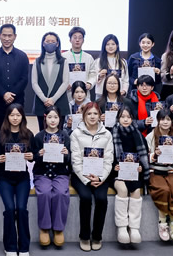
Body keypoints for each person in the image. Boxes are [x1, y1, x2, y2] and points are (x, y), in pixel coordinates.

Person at [70, 102, 114, 252]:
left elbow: (109, 160)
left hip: (101, 175)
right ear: (83, 116)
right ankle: (84, 236)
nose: (92, 116)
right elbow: (75, 161)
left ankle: (97, 236)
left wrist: (100, 178)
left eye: (95, 113)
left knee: (101, 199)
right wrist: (87, 180)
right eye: (89, 114)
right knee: (86, 197)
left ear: (100, 115)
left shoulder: (107, 134)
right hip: (81, 175)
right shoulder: (76, 134)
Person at [0, 104, 35, 256]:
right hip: (5, 178)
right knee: (10, 209)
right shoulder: (0, 136)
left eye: (18, 115)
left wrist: (32, 156)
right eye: (12, 115)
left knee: (22, 209)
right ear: (7, 117)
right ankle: (10, 246)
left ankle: (24, 246)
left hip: (22, 178)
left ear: (22, 117)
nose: (15, 118)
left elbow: (34, 157)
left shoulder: (28, 134)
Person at [31, 106, 71, 247]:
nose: (52, 120)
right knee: (44, 193)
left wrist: (66, 154)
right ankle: (45, 228)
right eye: (49, 117)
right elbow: (32, 157)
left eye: (55, 117)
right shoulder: (39, 136)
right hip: (42, 173)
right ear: (45, 118)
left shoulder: (65, 136)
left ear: (60, 119)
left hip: (60, 173)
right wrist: (39, 154)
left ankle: (58, 229)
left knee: (61, 193)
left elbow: (69, 159)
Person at [146, 110, 173, 242]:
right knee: (164, 190)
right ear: (158, 120)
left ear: (172, 121)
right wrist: (155, 155)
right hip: (156, 170)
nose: (165, 122)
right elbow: (145, 157)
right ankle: (162, 222)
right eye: (162, 119)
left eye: (168, 119)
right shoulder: (151, 136)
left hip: (171, 171)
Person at [111, 105, 149, 244]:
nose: (125, 120)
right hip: (116, 173)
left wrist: (140, 167)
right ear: (118, 118)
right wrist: (114, 167)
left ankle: (134, 228)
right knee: (122, 189)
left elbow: (143, 157)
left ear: (133, 119)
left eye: (128, 117)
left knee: (136, 191)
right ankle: (122, 227)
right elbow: (108, 157)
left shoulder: (138, 134)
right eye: (122, 117)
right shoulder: (112, 134)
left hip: (134, 173)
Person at [0, 24, 30, 130]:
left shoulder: (22, 56)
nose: (7, 38)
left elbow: (24, 78)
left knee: (17, 131)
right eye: (4, 35)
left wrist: (12, 95)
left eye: (10, 36)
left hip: (17, 101)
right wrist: (4, 93)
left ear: (15, 36)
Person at [32, 32, 70, 130]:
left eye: (53, 41)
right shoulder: (37, 61)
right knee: (42, 131)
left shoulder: (63, 61)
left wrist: (53, 99)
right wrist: (44, 99)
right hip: (42, 103)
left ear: (57, 44)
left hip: (59, 102)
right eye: (47, 41)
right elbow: (34, 83)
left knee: (59, 133)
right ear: (43, 43)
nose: (50, 43)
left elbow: (65, 82)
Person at [64, 27, 98, 102]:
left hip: (84, 93)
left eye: (80, 38)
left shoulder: (88, 57)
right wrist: (64, 84)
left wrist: (89, 83)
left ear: (83, 40)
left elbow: (93, 74)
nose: (77, 40)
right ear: (70, 40)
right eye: (75, 37)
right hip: (68, 93)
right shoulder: (63, 56)